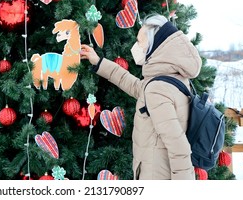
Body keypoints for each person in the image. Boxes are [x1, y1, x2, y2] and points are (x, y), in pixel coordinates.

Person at [80, 14, 202, 180]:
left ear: (154, 45)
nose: (135, 46)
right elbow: (135, 86)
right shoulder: (173, 77)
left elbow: (178, 146)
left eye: (139, 42)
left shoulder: (157, 89)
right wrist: (99, 62)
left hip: (155, 174)